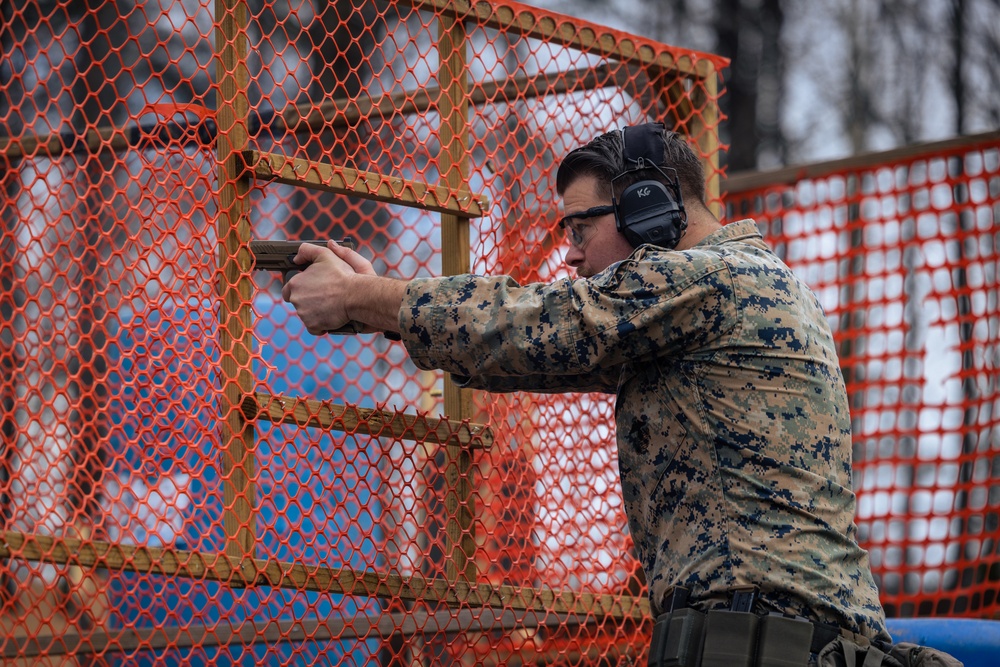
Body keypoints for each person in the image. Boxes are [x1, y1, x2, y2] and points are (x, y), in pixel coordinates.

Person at [281, 123, 894, 664]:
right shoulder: (757, 287)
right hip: (789, 637)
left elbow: (536, 324)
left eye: (581, 226)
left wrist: (361, 298)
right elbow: (528, 356)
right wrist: (376, 308)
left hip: (756, 638)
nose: (570, 253)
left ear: (649, 208)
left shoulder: (709, 277)